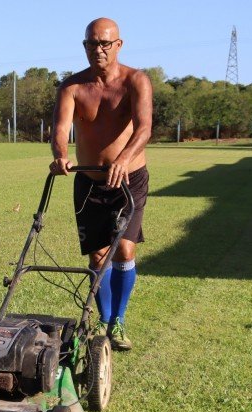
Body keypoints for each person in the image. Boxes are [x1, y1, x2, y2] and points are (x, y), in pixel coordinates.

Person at [49, 17, 152, 350]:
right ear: (84, 46)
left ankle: (119, 321)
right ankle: (105, 321)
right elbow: (61, 129)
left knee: (124, 248)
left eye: (105, 43)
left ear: (118, 45)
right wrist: (61, 154)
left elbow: (144, 128)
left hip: (129, 179)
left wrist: (123, 160)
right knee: (97, 256)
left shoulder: (136, 81)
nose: (99, 50)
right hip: (89, 179)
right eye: (92, 43)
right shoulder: (73, 87)